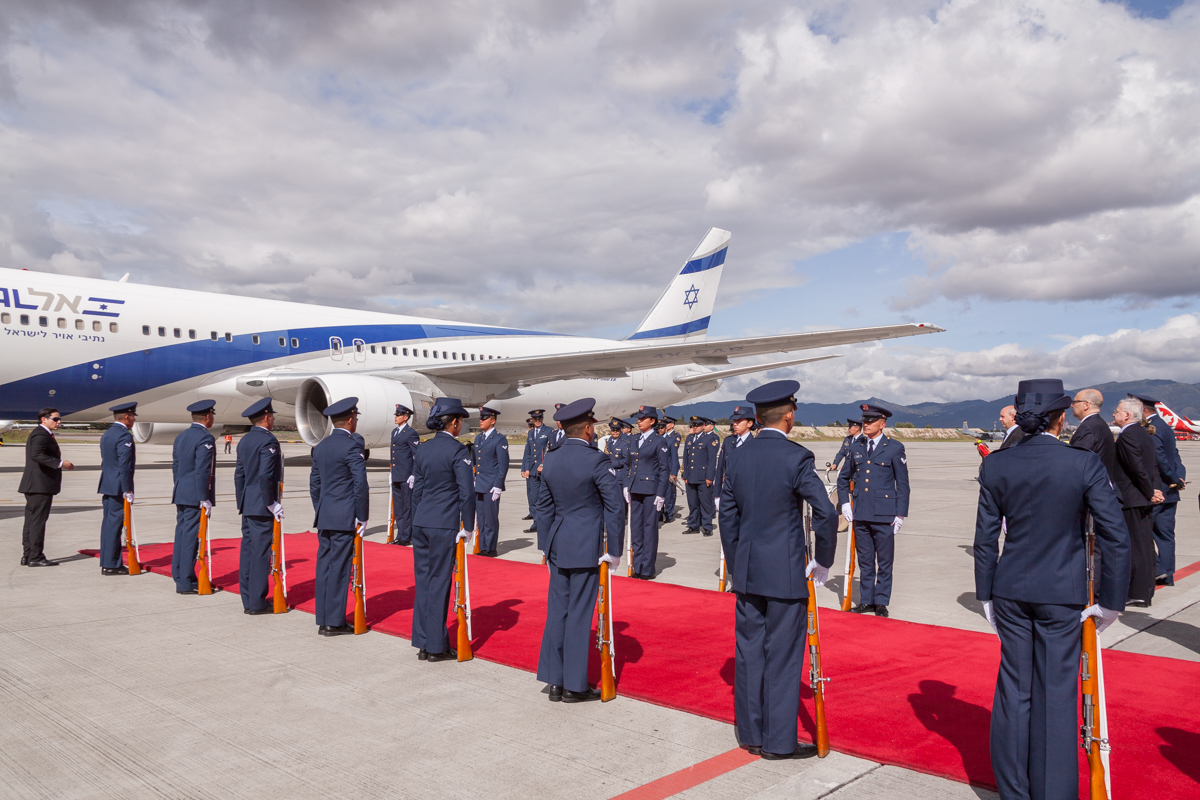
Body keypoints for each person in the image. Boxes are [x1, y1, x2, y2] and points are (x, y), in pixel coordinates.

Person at [974, 378, 1129, 800]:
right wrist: (1111, 602)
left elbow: (986, 538)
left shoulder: (997, 464)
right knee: (1056, 695)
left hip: (1009, 590)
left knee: (1013, 690)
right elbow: (1114, 534)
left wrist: (985, 594)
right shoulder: (1081, 463)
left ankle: (1013, 790)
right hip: (1061, 592)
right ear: (1060, 418)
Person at [719, 380, 836, 759]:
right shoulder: (796, 457)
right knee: (783, 657)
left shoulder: (737, 455)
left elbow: (727, 516)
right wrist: (822, 561)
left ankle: (751, 735)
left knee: (750, 653)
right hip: (785, 573)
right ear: (788, 416)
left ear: (755, 418)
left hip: (748, 571)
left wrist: (738, 564)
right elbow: (825, 512)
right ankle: (779, 741)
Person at [532, 398, 625, 702]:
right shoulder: (596, 460)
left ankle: (554, 680)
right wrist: (614, 550)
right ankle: (574, 684)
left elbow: (543, 508)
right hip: (585, 544)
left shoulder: (553, 458)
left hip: (557, 544)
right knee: (579, 615)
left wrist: (545, 545)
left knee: (558, 612)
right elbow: (614, 507)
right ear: (587, 429)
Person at [411, 397, 476, 661]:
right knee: (439, 583)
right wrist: (469, 527)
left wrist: (418, 517)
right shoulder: (458, 451)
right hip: (442, 524)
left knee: (424, 583)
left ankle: (423, 642)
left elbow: (417, 490)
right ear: (456, 423)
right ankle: (436, 647)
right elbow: (467, 493)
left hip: (422, 522)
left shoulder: (423, 449)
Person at [837, 404, 909, 618]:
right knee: (865, 560)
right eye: (864, 421)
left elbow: (902, 484)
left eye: (870, 421)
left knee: (885, 562)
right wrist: (844, 504)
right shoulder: (855, 447)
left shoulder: (894, 448)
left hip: (884, 513)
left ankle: (881, 601)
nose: (865, 424)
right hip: (860, 512)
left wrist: (900, 514)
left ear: (882, 424)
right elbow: (843, 479)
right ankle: (867, 600)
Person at [309, 397, 370, 636]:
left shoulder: (321, 446)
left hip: (325, 515)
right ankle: (334, 622)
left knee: (324, 566)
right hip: (345, 516)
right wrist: (362, 516)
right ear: (351, 420)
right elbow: (360, 484)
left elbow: (314, 484)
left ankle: (323, 618)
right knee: (339, 569)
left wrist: (321, 508)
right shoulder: (351, 446)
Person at [234, 398, 285, 615]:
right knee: (260, 554)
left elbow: (239, 475)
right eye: (272, 416)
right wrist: (270, 503)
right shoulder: (268, 441)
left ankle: (248, 599)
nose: (273, 420)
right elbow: (265, 475)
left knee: (248, 552)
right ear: (266, 418)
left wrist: (242, 502)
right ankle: (257, 602)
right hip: (261, 505)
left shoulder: (244, 440)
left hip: (248, 504)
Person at [1112, 396, 1162, 607]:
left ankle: (1139, 591)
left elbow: (1137, 468)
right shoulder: (1141, 433)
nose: (1113, 414)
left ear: (1126, 415)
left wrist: (1150, 491)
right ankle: (1144, 589)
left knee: (1136, 547)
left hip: (1133, 498)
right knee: (1144, 545)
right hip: (1141, 497)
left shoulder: (1128, 435)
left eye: (1116, 411)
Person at [1134, 394, 1187, 587]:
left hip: (1157, 491)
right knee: (1165, 536)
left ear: (1144, 410)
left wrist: (1173, 478)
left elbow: (1160, 458)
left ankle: (1160, 570)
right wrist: (1179, 477)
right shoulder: (1165, 426)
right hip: (1171, 491)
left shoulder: (1151, 428)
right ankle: (1168, 576)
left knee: (1141, 532)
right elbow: (1176, 456)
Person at [170, 400, 217, 595]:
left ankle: (180, 574)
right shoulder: (205, 438)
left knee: (182, 535)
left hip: (181, 491)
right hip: (194, 495)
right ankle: (185, 581)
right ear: (207, 417)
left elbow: (175, 466)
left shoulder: (181, 436)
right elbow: (202, 471)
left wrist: (181, 487)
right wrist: (203, 497)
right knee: (190, 538)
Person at [18, 407, 74, 567]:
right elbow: (36, 454)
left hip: (36, 485)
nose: (59, 422)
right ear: (44, 419)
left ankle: (28, 555)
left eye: (59, 419)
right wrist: (60, 463)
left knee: (31, 521)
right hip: (40, 485)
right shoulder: (41, 434)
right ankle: (35, 557)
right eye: (55, 419)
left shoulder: (41, 433)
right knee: (37, 522)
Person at [623, 406, 670, 580]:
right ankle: (638, 566)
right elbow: (629, 465)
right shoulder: (635, 440)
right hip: (635, 489)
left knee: (649, 530)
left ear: (653, 421)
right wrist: (627, 486)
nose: (639, 421)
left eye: (643, 418)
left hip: (651, 491)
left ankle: (647, 569)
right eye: (638, 418)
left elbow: (664, 470)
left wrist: (661, 494)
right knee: (636, 529)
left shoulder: (659, 442)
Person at [97, 401, 138, 576]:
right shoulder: (124, 436)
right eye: (133, 417)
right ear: (127, 417)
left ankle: (108, 561)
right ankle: (111, 564)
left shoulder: (107, 434)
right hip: (118, 487)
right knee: (115, 526)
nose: (134, 421)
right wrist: (128, 489)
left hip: (108, 485)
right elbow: (124, 465)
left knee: (108, 525)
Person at [474, 405, 509, 557]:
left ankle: (490, 548)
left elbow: (503, 465)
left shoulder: (499, 439)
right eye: (481, 418)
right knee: (481, 519)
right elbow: (476, 462)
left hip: (491, 486)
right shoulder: (478, 438)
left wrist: (498, 485)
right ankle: (482, 547)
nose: (481, 421)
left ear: (493, 421)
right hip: (480, 484)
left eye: (485, 418)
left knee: (490, 519)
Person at [1068, 389, 1117, 483]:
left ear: (1087, 405)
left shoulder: (1087, 428)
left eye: (1075, 402)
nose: (1072, 405)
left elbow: (1078, 462)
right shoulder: (1101, 424)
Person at [714, 407, 755, 511]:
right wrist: (717, 494)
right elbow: (720, 468)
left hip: (748, 495)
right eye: (734, 421)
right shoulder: (728, 442)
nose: (735, 424)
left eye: (739, 421)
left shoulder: (756, 443)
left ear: (750, 423)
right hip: (729, 493)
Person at [683, 416, 718, 535]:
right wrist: (685, 475)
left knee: (705, 503)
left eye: (698, 425)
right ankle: (693, 526)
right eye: (693, 425)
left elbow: (712, 460)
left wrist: (709, 477)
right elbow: (686, 459)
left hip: (703, 477)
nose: (695, 427)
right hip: (691, 476)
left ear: (703, 426)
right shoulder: (689, 438)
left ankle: (707, 527)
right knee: (693, 503)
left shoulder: (709, 438)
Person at [389, 403, 419, 546]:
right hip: (396, 475)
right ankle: (401, 535)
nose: (396, 417)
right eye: (396, 414)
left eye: (398, 415)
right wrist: (391, 472)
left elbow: (416, 455)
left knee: (407, 507)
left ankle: (407, 536)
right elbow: (393, 454)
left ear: (406, 417)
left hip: (406, 476)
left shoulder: (410, 433)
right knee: (399, 508)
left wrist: (413, 474)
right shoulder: (394, 432)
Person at [521, 409, 551, 534]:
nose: (537, 421)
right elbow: (528, 452)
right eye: (535, 419)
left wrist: (543, 465)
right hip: (533, 471)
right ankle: (536, 523)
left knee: (543, 498)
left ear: (542, 419)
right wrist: (525, 468)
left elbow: (550, 450)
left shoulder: (549, 431)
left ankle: (542, 523)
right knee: (533, 498)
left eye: (539, 418)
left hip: (543, 470)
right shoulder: (531, 433)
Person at [661, 417, 681, 523]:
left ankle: (669, 514)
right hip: (659, 471)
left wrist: (673, 472)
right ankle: (660, 513)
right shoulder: (658, 438)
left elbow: (674, 458)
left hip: (669, 469)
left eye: (667, 423)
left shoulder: (673, 438)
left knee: (669, 494)